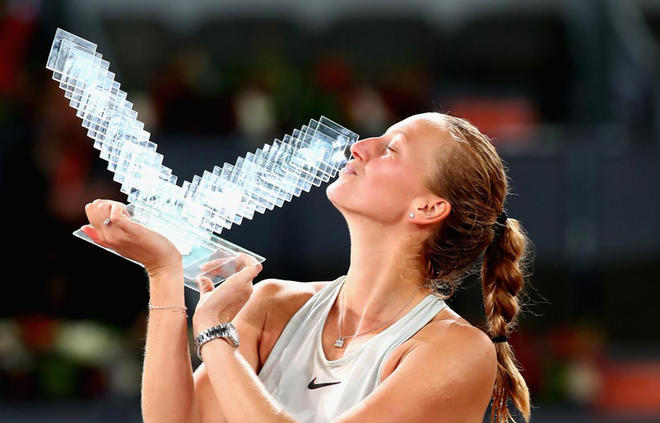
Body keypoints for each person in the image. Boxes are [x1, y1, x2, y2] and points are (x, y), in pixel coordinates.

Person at [82, 112, 533, 423]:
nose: (361, 146)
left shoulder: (458, 351)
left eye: (391, 149)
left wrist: (215, 336)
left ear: (428, 207)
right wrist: (163, 273)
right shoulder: (273, 303)